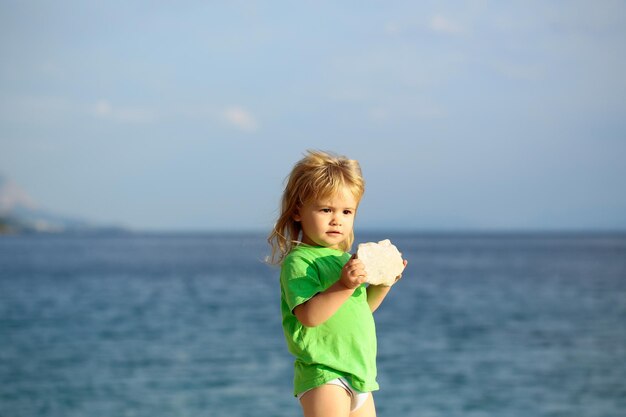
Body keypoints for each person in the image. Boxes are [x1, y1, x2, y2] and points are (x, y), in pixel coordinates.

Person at [268, 150, 407, 417]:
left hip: (360, 373)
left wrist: (384, 284)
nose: (337, 219)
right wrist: (344, 285)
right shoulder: (301, 261)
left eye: (346, 211)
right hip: (324, 372)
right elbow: (309, 316)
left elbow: (360, 309)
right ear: (298, 211)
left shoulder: (345, 260)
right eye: (325, 209)